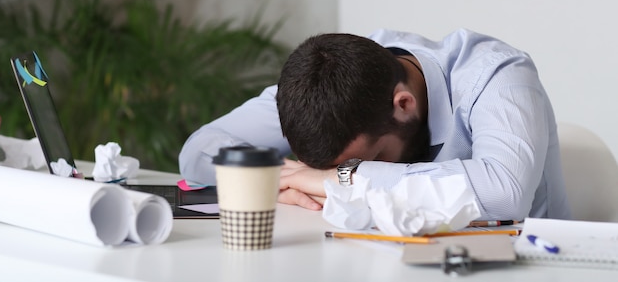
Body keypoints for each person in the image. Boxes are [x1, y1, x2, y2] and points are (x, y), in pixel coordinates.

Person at [179, 28, 571, 220]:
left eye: (371, 157)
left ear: (403, 105)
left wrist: (345, 177)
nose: (333, 173)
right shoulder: (328, 80)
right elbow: (198, 150)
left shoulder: (494, 74)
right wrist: (280, 175)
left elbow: (505, 191)